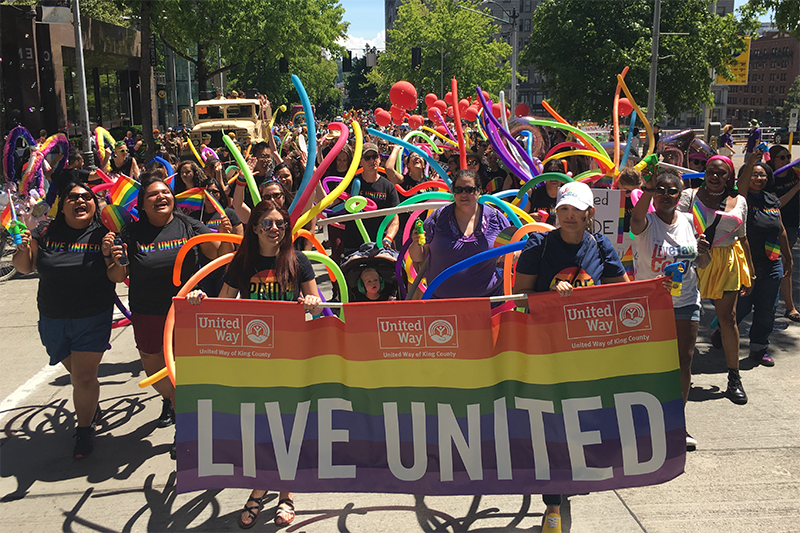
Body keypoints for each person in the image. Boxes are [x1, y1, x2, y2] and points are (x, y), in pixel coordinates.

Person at [185, 200, 320, 528]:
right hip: (255, 357)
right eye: (268, 224)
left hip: (292, 355)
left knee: (285, 426)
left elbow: (319, 310)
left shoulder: (298, 261)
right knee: (260, 427)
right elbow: (222, 308)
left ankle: (280, 493)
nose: (275, 229)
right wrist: (199, 300)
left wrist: (314, 303)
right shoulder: (242, 262)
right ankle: (265, 488)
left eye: (280, 224)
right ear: (255, 227)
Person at [513, 180, 628, 533]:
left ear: (589, 213)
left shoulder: (600, 244)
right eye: (563, 209)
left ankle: (572, 475)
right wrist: (549, 293)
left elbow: (622, 290)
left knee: (581, 417)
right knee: (550, 422)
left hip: (585, 347)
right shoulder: (539, 246)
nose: (568, 216)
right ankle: (552, 502)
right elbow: (519, 297)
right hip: (545, 346)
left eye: (576, 210)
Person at [105, 171, 234, 455]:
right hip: (148, 313)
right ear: (142, 204)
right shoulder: (130, 234)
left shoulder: (189, 225)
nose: (161, 197)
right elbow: (117, 276)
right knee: (155, 370)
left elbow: (217, 255)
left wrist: (227, 233)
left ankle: (186, 429)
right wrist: (112, 260)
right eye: (153, 194)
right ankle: (176, 402)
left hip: (188, 311)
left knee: (186, 375)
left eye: (165, 192)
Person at [12, 182, 115, 458]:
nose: (80, 201)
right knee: (77, 373)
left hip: (92, 316)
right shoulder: (44, 231)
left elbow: (117, 274)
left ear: (94, 204)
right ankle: (90, 404)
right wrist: (22, 248)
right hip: (51, 317)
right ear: (62, 204)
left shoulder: (105, 233)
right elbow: (25, 267)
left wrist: (110, 254)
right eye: (73, 197)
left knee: (83, 376)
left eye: (87, 197)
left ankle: (84, 430)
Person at [631, 170, 709, 450]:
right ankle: (645, 422)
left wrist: (704, 250)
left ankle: (676, 422)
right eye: (660, 190)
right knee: (650, 364)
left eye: (671, 191)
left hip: (686, 301)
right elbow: (635, 219)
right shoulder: (647, 221)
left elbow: (702, 263)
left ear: (680, 195)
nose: (665, 194)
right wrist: (648, 188)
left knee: (682, 363)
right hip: (649, 305)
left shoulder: (689, 221)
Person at [677, 155, 753, 404]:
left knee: (728, 319)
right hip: (693, 260)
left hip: (727, 262)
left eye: (721, 172)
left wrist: (750, 270)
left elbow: (742, 236)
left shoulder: (740, 200)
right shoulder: (689, 196)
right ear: (704, 173)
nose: (715, 176)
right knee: (684, 318)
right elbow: (674, 226)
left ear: (729, 176)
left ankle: (734, 377)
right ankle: (675, 374)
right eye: (710, 171)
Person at [727, 151, 792, 365]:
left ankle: (758, 348)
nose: (759, 178)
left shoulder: (771, 199)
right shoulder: (741, 199)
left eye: (763, 175)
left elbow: (781, 229)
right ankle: (723, 330)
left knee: (767, 309)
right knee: (742, 307)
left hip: (772, 263)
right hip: (747, 262)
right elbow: (742, 187)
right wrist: (751, 163)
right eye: (754, 174)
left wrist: (788, 256)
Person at [409, 169, 509, 299]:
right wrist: (416, 243)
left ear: (478, 191)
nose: (463, 194)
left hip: (488, 303)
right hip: (443, 304)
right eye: (458, 190)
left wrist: (510, 257)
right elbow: (418, 257)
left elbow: (514, 250)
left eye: (469, 189)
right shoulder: (438, 217)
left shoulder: (496, 218)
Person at [342, 143, 400, 257]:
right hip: (354, 244)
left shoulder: (388, 186)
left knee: (393, 269)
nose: (372, 160)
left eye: (375, 156)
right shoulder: (351, 183)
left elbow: (394, 219)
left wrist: (388, 238)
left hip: (379, 244)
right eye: (367, 158)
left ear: (379, 159)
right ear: (360, 162)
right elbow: (333, 204)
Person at [189, 179, 242, 296]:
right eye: (207, 192)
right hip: (203, 269)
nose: (210, 195)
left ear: (220, 194)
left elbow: (239, 243)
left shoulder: (229, 213)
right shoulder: (194, 216)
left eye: (214, 192)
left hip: (225, 269)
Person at [766, 145, 800, 322]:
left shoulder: (794, 173)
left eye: (788, 156)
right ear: (772, 159)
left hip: (792, 226)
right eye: (781, 157)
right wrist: (796, 188)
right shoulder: (770, 178)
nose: (786, 160)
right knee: (776, 266)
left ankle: (789, 306)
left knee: (787, 264)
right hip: (775, 228)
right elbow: (777, 203)